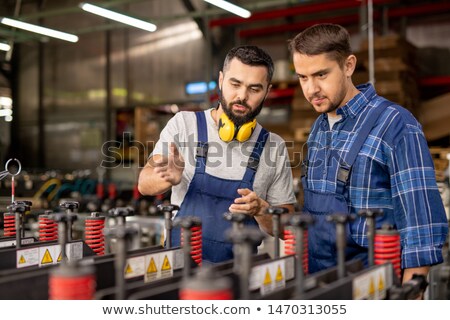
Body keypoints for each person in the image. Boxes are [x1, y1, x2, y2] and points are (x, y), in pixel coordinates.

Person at [288, 23, 448, 282]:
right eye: (303, 77)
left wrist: (410, 297)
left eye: (321, 75)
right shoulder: (319, 129)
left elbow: (422, 226)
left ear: (348, 65)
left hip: (373, 287)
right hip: (320, 284)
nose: (310, 89)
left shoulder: (395, 124)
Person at [138, 45, 296, 263]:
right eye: (235, 84)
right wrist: (164, 177)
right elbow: (144, 185)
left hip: (239, 276)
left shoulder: (273, 146)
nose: (242, 96)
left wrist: (262, 209)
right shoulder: (184, 124)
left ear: (267, 91)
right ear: (221, 80)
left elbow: (285, 229)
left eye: (254, 88)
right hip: (177, 268)